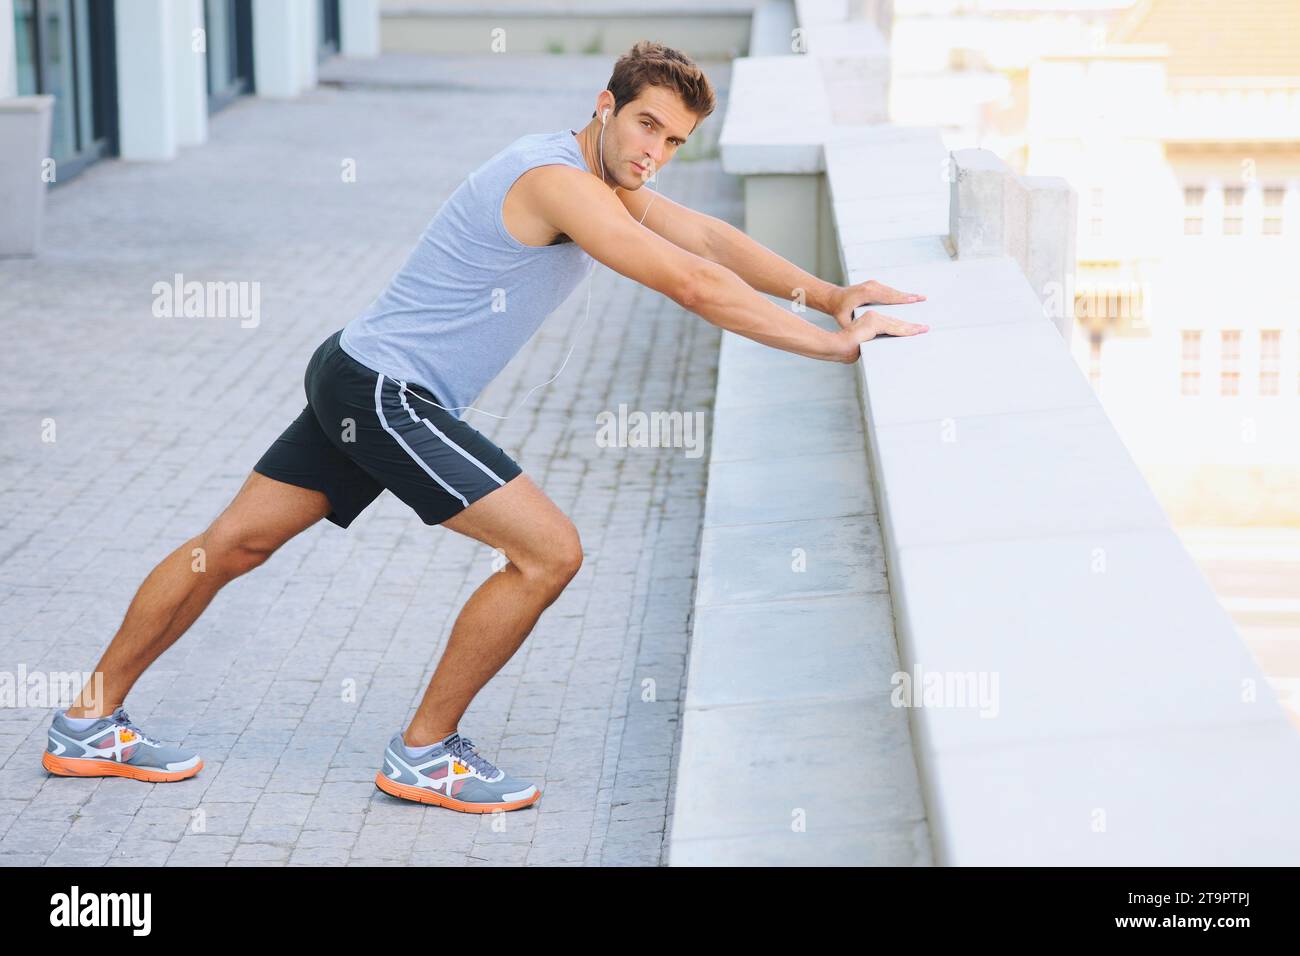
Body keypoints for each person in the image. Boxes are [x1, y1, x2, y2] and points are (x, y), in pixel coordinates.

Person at [44, 40, 928, 813]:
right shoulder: (557, 182)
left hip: (353, 368)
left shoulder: (595, 175)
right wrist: (833, 348)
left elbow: (706, 241)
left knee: (230, 545)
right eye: (647, 126)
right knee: (549, 552)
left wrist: (830, 295)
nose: (655, 152)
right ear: (605, 105)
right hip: (384, 392)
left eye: (674, 141)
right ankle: (424, 753)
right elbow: (689, 285)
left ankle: (85, 722)